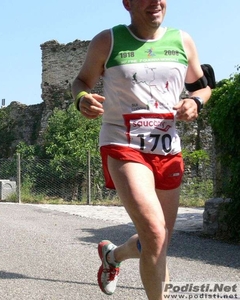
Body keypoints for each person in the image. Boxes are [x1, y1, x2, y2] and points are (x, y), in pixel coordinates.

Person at [71, 1, 211, 299]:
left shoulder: (182, 40)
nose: (155, 2)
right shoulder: (108, 40)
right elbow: (81, 81)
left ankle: (112, 256)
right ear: (128, 3)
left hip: (167, 149)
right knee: (155, 234)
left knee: (156, 241)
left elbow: (202, 86)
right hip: (123, 144)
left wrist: (195, 101)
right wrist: (81, 97)